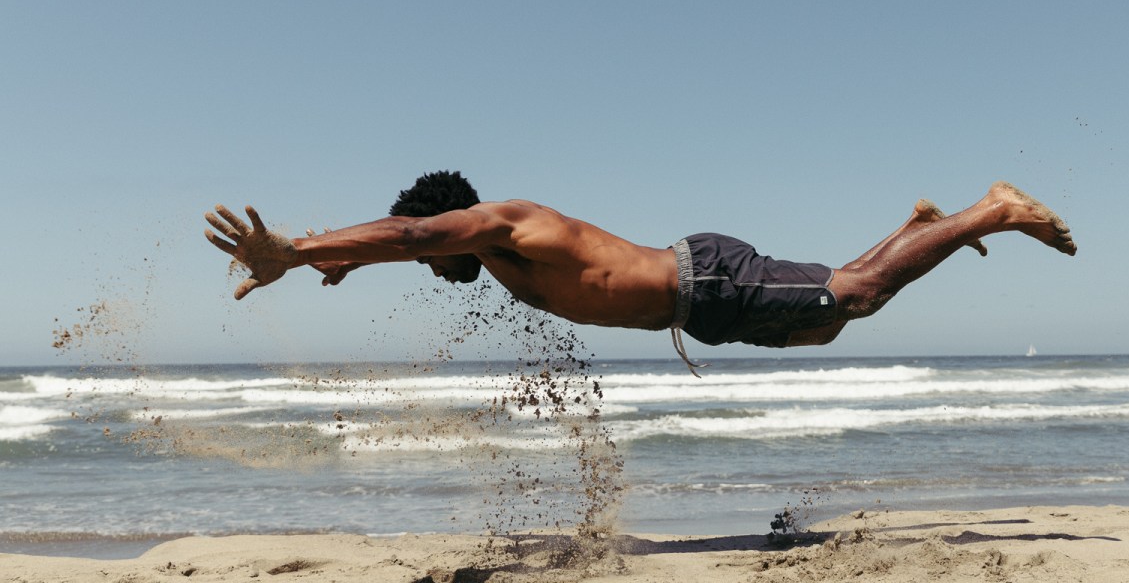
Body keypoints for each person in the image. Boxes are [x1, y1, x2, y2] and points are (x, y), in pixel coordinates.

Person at [205, 171, 1075, 373]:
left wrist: (304, 251)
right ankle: (919, 228)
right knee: (826, 319)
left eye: (438, 254)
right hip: (697, 306)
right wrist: (338, 257)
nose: (436, 268)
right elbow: (403, 241)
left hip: (704, 282)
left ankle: (990, 209)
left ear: (451, 224)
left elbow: (411, 234)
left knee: (856, 298)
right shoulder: (487, 250)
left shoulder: (502, 225)